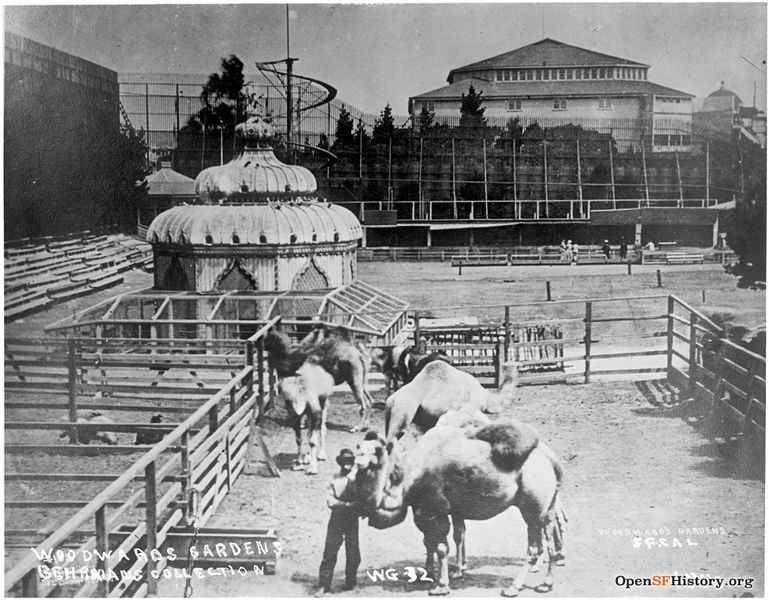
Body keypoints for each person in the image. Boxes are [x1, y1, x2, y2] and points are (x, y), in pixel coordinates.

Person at [316, 449, 361, 596]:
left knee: (353, 551)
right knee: (330, 551)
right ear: (340, 463)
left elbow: (363, 497)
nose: (347, 465)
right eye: (344, 462)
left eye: (349, 462)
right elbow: (330, 501)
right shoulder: (334, 479)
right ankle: (324, 585)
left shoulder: (357, 479)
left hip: (352, 519)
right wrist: (346, 505)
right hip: (337, 518)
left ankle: (351, 582)